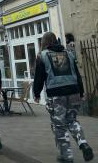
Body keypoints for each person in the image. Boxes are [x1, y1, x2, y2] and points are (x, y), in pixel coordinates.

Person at [33, 32, 93, 163]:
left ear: (44, 42)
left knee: (59, 126)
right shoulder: (69, 54)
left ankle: (67, 156)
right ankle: (83, 143)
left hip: (56, 95)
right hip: (74, 91)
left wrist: (36, 94)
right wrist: (81, 92)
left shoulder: (42, 56)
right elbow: (77, 75)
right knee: (72, 120)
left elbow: (39, 77)